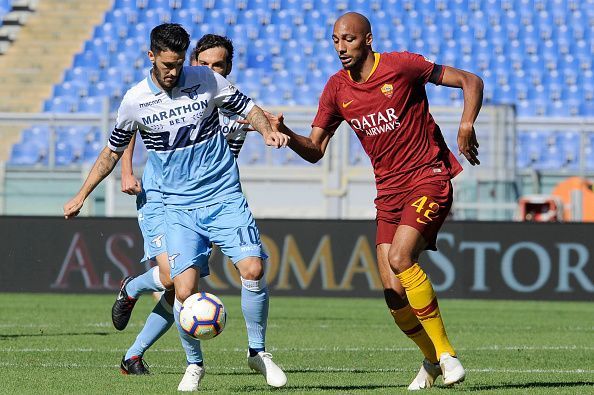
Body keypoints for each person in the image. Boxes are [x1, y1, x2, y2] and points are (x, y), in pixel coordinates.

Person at [255, 12, 483, 390]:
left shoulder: (402, 66)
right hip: (389, 193)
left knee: (400, 257)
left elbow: (469, 81)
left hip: (429, 176)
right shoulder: (336, 89)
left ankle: (447, 356)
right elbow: (315, 149)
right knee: (394, 295)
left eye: (349, 39)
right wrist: (286, 133)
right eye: (335, 40)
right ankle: (429, 359)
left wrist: (465, 123)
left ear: (368, 39)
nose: (341, 48)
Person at [63, 24, 288, 391]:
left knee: (253, 266)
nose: (173, 72)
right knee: (181, 288)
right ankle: (193, 364)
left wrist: (266, 131)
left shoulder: (205, 81)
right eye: (167, 64)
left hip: (222, 195)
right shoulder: (136, 99)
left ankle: (258, 353)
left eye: (179, 64)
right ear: (151, 56)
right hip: (174, 204)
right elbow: (113, 149)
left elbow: (250, 108)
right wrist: (83, 193)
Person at [114, 34, 260, 378]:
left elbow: (234, 149)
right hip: (161, 198)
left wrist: (266, 125)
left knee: (183, 286)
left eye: (218, 65)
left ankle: (133, 357)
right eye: (203, 64)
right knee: (172, 279)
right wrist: (126, 169)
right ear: (191, 63)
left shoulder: (229, 107)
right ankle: (132, 288)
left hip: (204, 201)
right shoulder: (170, 94)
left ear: (227, 69)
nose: (209, 70)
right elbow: (133, 123)